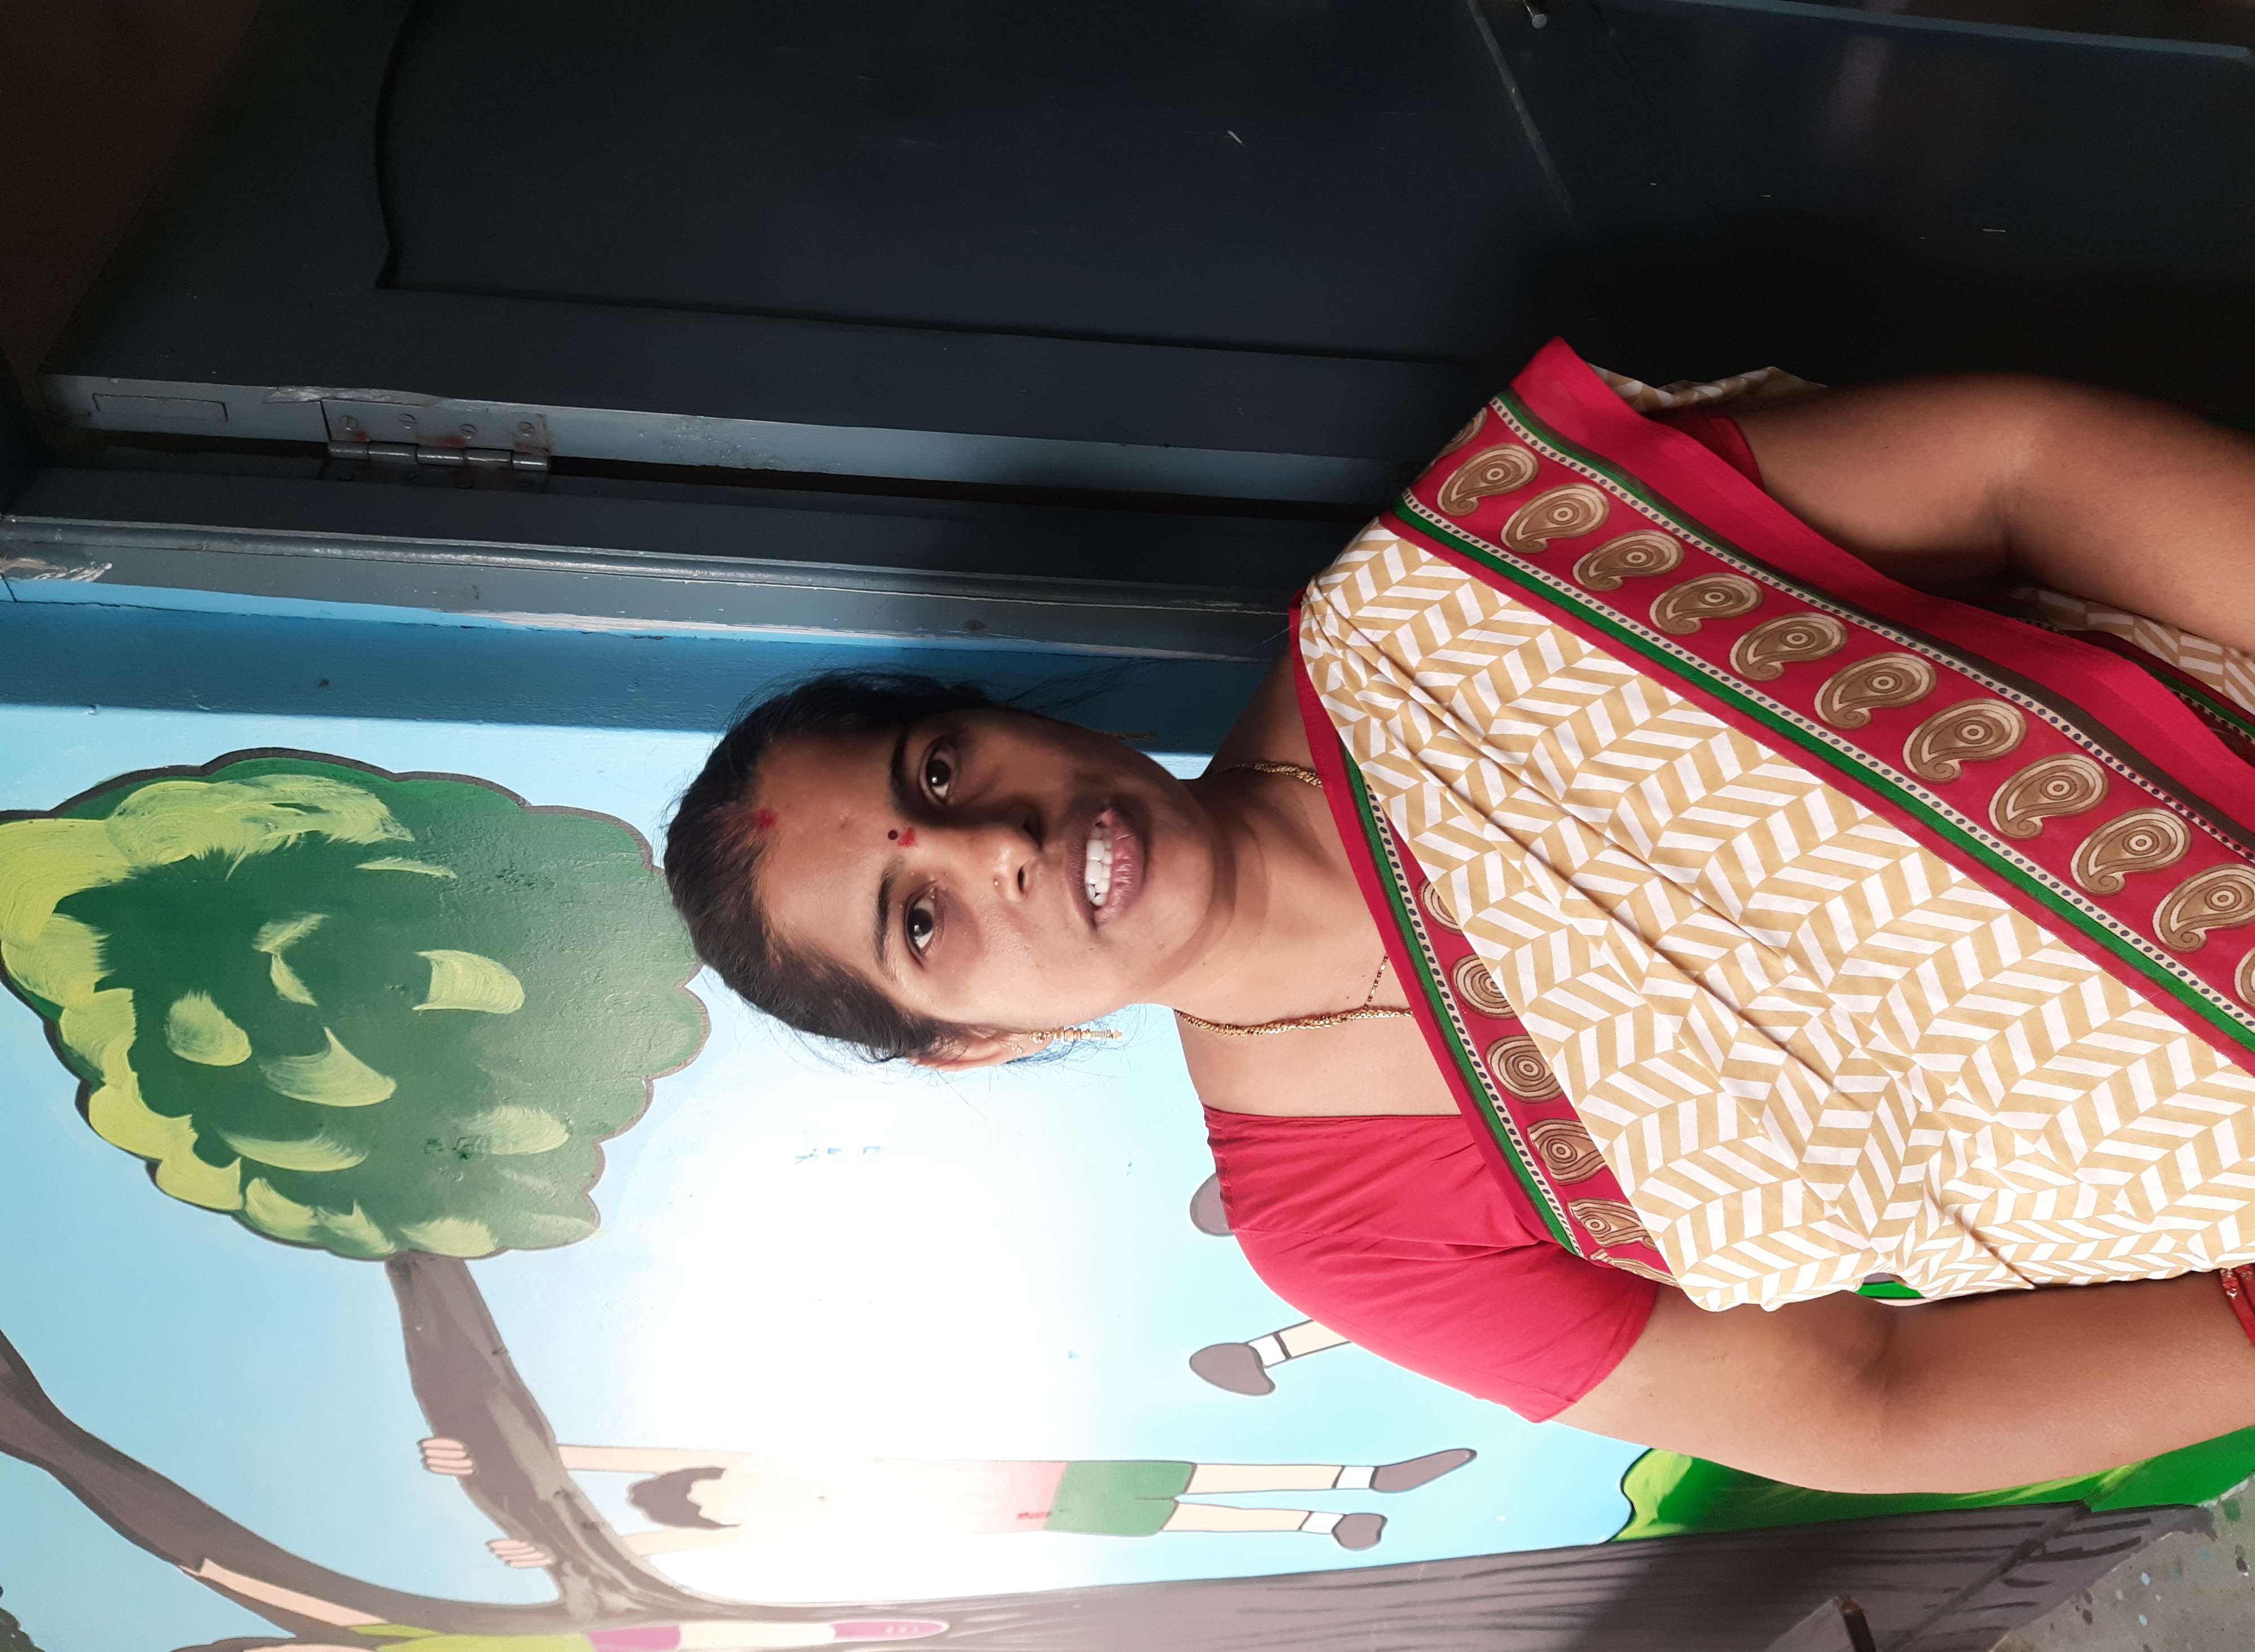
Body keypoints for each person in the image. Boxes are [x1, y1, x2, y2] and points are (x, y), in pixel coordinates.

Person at [662, 339, 2255, 1496]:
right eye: (919, 923)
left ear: (996, 713)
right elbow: (1866, 1400)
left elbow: (2017, 468)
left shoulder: (1463, 605)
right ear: (975, 1044)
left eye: (938, 770)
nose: (995, 847)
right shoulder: (1341, 1222)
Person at [416, 1437, 1473, 1556]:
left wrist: (505, 1454)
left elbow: (611, 1455)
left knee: (1175, 1482)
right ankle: (1325, 1516)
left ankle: (1360, 1478)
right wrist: (560, 1548)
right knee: (1160, 1514)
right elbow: (658, 1549)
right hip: (998, 1515)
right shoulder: (748, 1526)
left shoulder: (751, 1467)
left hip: (1007, 1477)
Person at [170, 1560, 948, 1652]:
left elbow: (316, 1610)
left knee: (715, 1638)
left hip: (585, 1639)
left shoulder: (371, 1639)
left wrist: (221, 1576)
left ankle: (851, 1634)